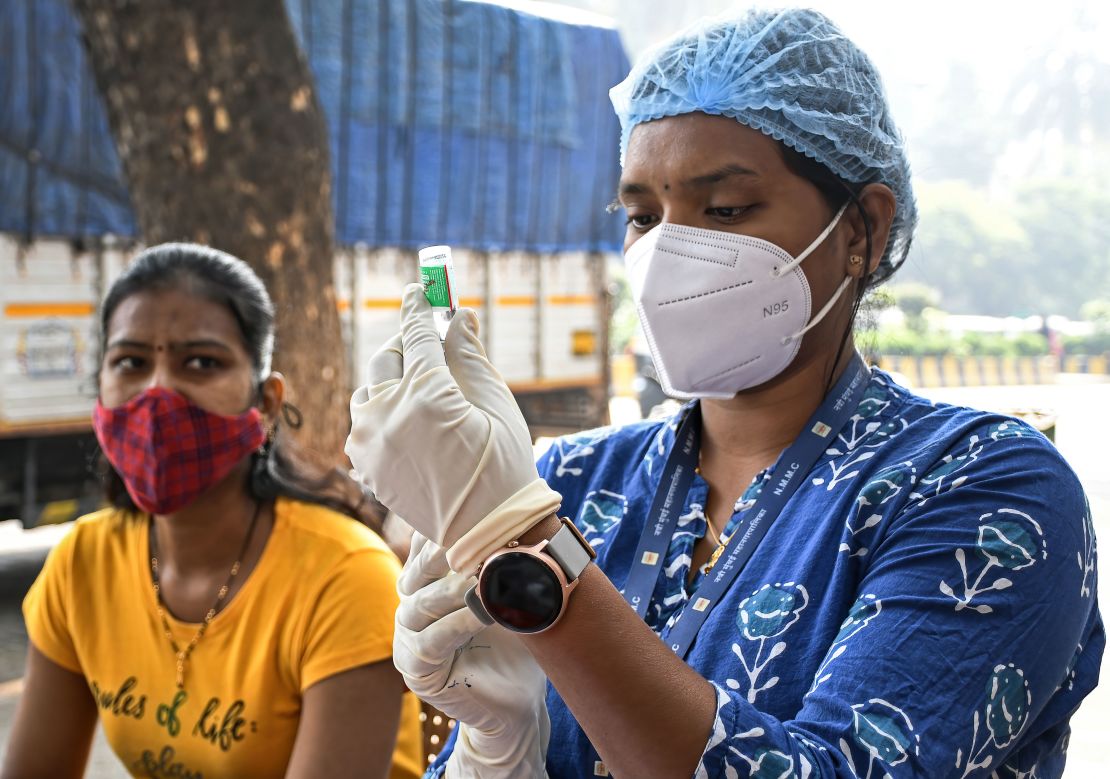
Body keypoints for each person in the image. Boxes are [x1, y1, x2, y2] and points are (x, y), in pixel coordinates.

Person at [345, 9, 1103, 778]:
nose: (667, 250)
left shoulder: (985, 487)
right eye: (643, 214)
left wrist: (532, 559)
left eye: (727, 210)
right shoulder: (573, 480)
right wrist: (495, 746)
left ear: (861, 232)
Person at [2, 244, 423, 779]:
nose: (158, 393)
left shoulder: (345, 578)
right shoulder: (83, 561)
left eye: (201, 362)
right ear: (101, 391)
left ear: (266, 401)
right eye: (131, 362)